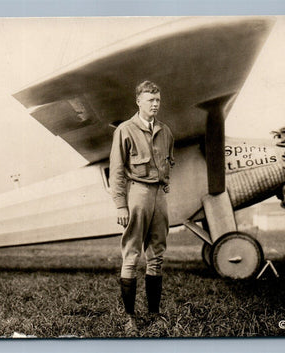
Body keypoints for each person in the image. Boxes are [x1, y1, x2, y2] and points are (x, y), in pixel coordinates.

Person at [109, 80, 174, 334]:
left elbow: (168, 162)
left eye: (158, 100)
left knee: (157, 255)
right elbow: (116, 170)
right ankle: (129, 318)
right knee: (132, 254)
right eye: (150, 100)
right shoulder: (125, 130)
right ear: (139, 102)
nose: (155, 104)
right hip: (137, 194)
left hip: (159, 196)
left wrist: (165, 186)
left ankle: (155, 314)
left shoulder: (166, 131)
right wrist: (120, 205)